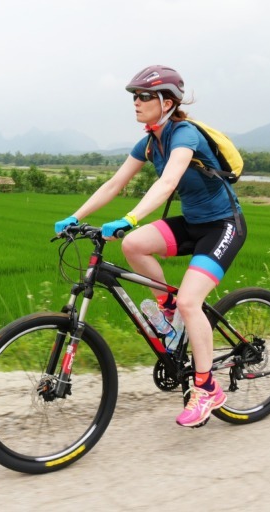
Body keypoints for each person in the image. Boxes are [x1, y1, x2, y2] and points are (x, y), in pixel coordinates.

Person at [54, 64, 246, 428]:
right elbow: (114, 183)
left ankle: (207, 388)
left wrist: (130, 219)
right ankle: (169, 309)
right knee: (134, 247)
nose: (136, 103)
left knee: (193, 300)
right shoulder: (149, 141)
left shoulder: (184, 134)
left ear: (167, 102)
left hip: (223, 226)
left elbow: (168, 181)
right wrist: (75, 216)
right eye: (134, 97)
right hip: (191, 223)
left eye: (144, 97)